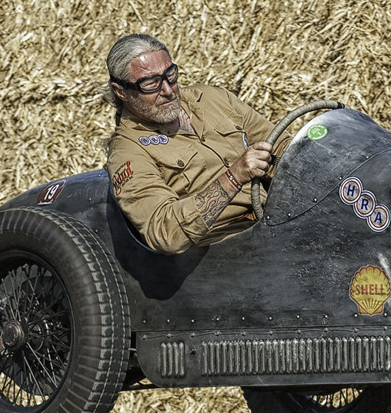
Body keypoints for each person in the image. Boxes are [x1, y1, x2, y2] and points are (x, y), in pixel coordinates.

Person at [103, 33, 276, 254]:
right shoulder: (127, 150)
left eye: (170, 75)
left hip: (274, 220)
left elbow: (279, 143)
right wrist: (235, 176)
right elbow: (164, 232)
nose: (168, 90)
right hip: (225, 252)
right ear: (121, 91)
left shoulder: (214, 99)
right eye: (150, 84)